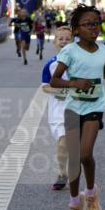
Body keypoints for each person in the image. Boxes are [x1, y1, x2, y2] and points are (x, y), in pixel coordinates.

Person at [47, 5, 105, 210]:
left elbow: (102, 71)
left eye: (96, 23)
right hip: (74, 108)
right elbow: (55, 80)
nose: (94, 28)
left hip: (95, 106)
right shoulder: (69, 52)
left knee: (85, 154)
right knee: (74, 160)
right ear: (76, 30)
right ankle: (75, 204)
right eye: (88, 24)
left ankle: (92, 194)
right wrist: (74, 83)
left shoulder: (103, 50)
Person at [41, 26, 74, 191]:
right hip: (59, 112)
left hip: (78, 110)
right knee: (63, 143)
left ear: (73, 42)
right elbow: (45, 87)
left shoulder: (80, 63)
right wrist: (61, 91)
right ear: (55, 43)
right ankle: (62, 174)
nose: (64, 41)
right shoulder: (51, 65)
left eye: (68, 39)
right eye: (61, 39)